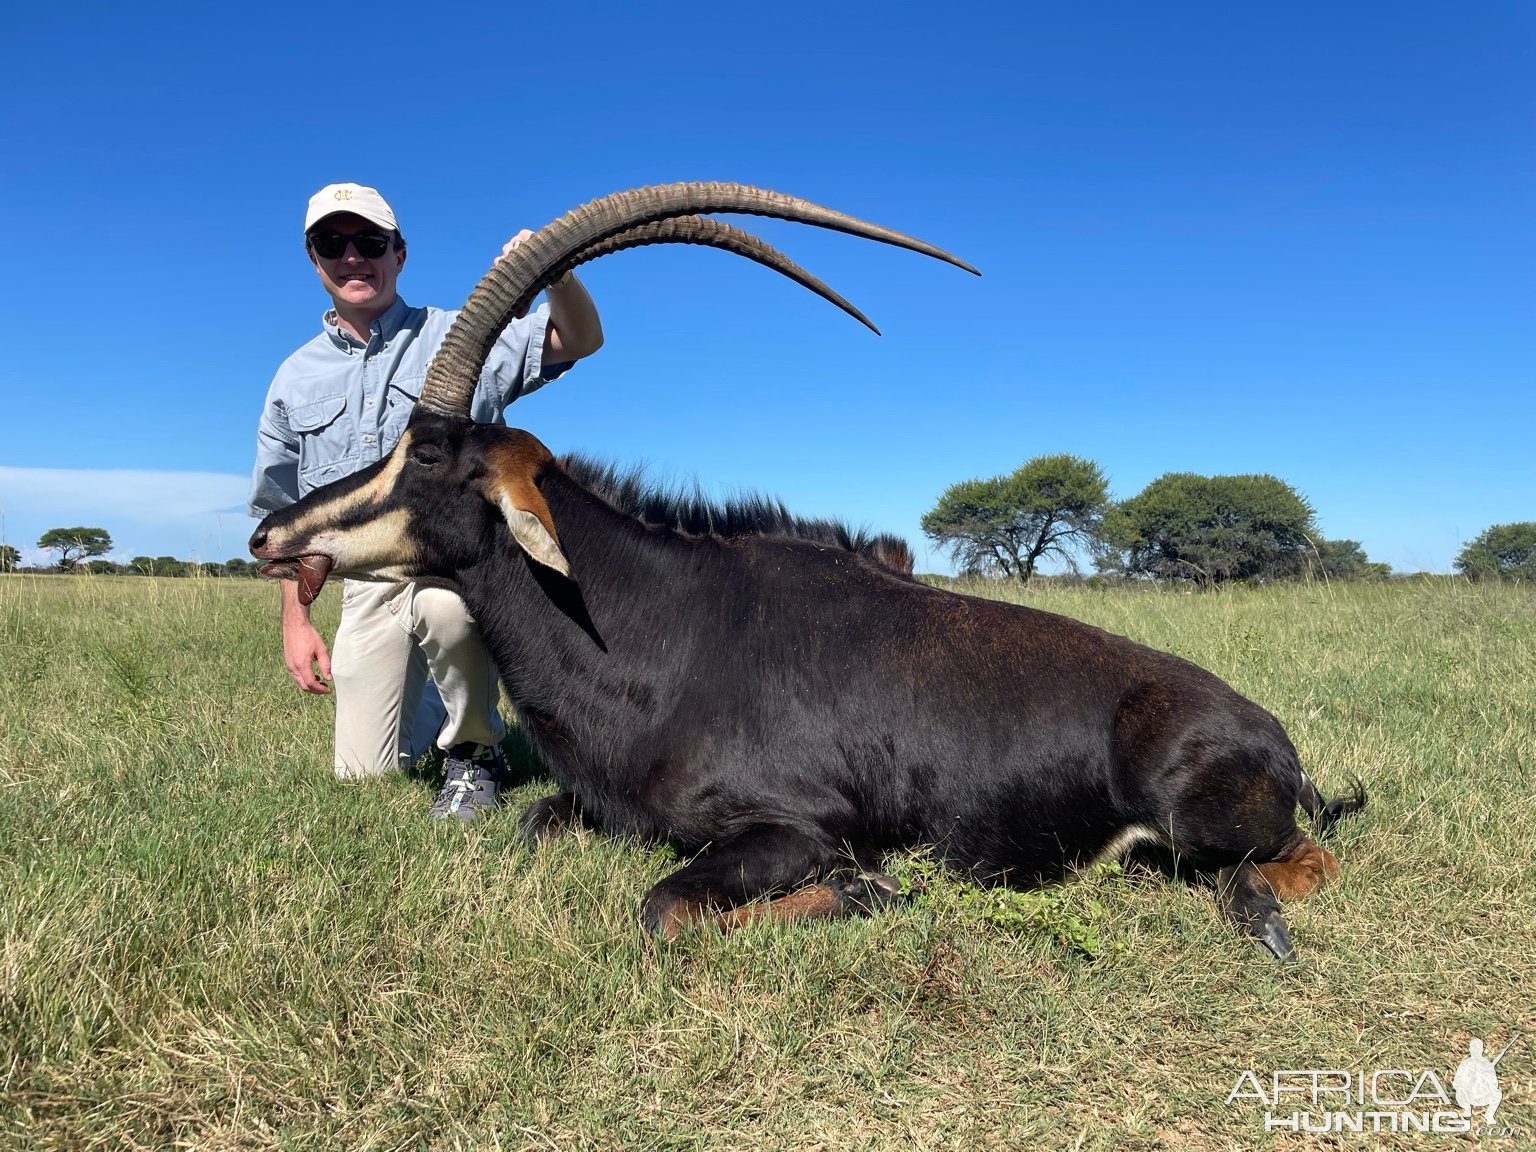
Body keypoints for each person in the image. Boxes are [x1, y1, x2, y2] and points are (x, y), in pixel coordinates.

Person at [250, 182, 603, 820]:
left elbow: (579, 339)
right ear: (314, 259)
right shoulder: (293, 377)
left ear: (399, 253)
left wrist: (558, 275)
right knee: (367, 776)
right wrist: (296, 621)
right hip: (369, 583)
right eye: (333, 243)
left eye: (371, 242)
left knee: (445, 611)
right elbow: (285, 505)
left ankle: (476, 752)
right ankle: (438, 701)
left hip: (458, 571)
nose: (353, 256)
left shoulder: (461, 335)